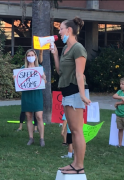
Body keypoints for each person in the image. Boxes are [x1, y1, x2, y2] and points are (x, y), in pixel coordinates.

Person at [51, 17, 91, 174]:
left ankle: (79, 166)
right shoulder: (66, 49)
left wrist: (82, 94)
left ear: (69, 30)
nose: (59, 32)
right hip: (67, 91)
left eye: (61, 29)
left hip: (75, 91)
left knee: (76, 130)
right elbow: (61, 72)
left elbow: (80, 74)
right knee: (72, 130)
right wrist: (55, 53)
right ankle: (75, 163)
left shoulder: (78, 48)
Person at [13, 49, 46, 147]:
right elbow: (19, 83)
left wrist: (44, 78)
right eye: (28, 55)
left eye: (32, 55)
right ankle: (31, 138)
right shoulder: (22, 68)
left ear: (35, 56)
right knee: (29, 117)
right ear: (26, 57)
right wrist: (15, 79)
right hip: (27, 95)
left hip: (37, 94)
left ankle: (41, 138)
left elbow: (45, 83)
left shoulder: (39, 68)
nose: (30, 56)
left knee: (39, 116)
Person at [113, 77, 124, 147]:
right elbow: (114, 96)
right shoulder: (120, 92)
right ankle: (119, 144)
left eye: (123, 84)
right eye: (120, 84)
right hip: (119, 115)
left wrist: (117, 103)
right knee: (120, 129)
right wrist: (121, 97)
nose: (121, 85)